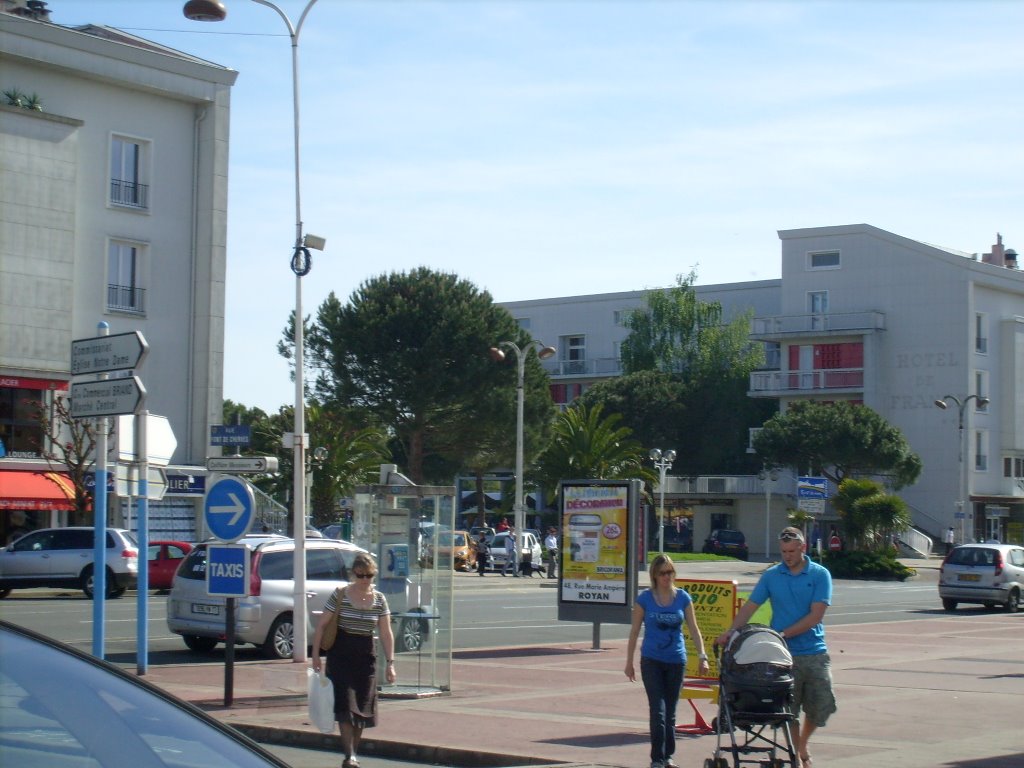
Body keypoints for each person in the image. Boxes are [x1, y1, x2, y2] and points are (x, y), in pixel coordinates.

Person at [716, 527, 836, 768]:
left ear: (802, 548)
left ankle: (802, 743)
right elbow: (750, 606)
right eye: (783, 551)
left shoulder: (820, 574)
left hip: (814, 651)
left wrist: (782, 634)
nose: (787, 556)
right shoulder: (772, 576)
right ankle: (797, 755)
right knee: (787, 710)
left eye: (792, 551)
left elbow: (816, 616)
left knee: (821, 705)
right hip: (781, 656)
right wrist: (731, 632)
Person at [311, 552, 397, 768]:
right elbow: (322, 625)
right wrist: (315, 657)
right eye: (360, 576)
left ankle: (354, 753)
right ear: (353, 575)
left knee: (362, 708)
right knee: (346, 707)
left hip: (365, 655)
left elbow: (386, 633)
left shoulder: (379, 599)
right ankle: (349, 755)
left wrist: (390, 663)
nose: (365, 580)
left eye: (369, 576)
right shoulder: (341, 594)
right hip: (341, 653)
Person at [625, 554, 710, 768]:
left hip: (676, 660)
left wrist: (702, 656)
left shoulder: (682, 597)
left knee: (671, 712)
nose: (667, 577)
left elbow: (693, 628)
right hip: (652, 660)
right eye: (662, 573)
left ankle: (668, 756)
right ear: (654, 575)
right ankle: (657, 759)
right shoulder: (645, 599)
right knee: (658, 710)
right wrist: (629, 662)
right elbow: (634, 631)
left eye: (670, 572)